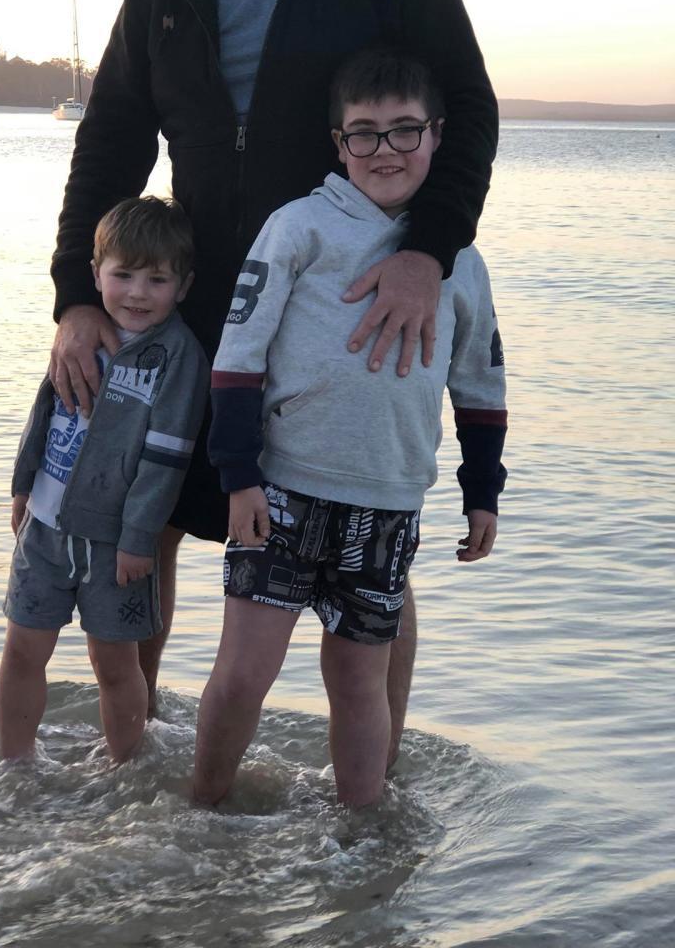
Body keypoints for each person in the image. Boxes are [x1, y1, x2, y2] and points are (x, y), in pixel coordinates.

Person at [47, 0, 499, 748]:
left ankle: (377, 786)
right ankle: (138, 767)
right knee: (145, 517)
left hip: (349, 301)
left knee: (366, 547)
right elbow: (110, 141)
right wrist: (78, 293)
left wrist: (428, 250)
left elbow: (465, 103)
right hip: (190, 296)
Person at [192, 49, 508, 806]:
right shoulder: (298, 228)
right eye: (363, 133)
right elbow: (238, 359)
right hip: (284, 493)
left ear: (437, 136)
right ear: (339, 144)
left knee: (361, 684)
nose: (385, 151)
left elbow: (481, 389)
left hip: (389, 502)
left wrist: (482, 492)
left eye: (405, 132)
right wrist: (236, 475)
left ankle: (361, 831)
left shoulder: (459, 263)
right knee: (243, 676)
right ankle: (204, 806)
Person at [0, 196, 208, 761]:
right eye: (124, 275)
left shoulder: (178, 357)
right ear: (96, 276)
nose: (138, 292)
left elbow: (168, 457)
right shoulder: (80, 331)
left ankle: (124, 767)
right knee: (21, 652)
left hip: (117, 544)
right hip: (44, 528)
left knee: (114, 665)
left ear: (182, 286)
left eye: (157, 279)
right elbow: (43, 409)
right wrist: (23, 486)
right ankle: (15, 766)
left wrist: (140, 538)